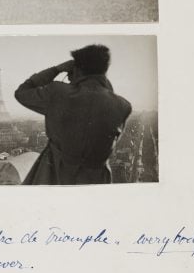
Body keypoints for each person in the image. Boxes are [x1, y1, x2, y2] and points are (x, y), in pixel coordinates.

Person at [14, 45, 133, 185]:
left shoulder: (58, 94)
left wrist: (56, 69)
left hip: (54, 177)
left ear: (76, 69)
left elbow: (22, 92)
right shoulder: (123, 106)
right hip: (96, 182)